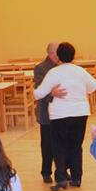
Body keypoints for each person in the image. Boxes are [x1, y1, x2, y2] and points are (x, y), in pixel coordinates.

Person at [33, 41, 96, 191]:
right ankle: (76, 178)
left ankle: (62, 179)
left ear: (58, 56)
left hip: (60, 114)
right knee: (76, 146)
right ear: (73, 56)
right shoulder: (80, 71)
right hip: (80, 113)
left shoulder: (54, 73)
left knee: (59, 146)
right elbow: (94, 86)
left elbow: (38, 93)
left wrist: (50, 91)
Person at [33, 42, 60, 183]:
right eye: (57, 52)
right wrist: (52, 94)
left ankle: (61, 170)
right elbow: (39, 90)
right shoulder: (40, 68)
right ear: (50, 53)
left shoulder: (62, 66)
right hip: (46, 112)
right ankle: (46, 172)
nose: (59, 54)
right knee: (47, 144)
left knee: (61, 143)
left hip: (61, 111)